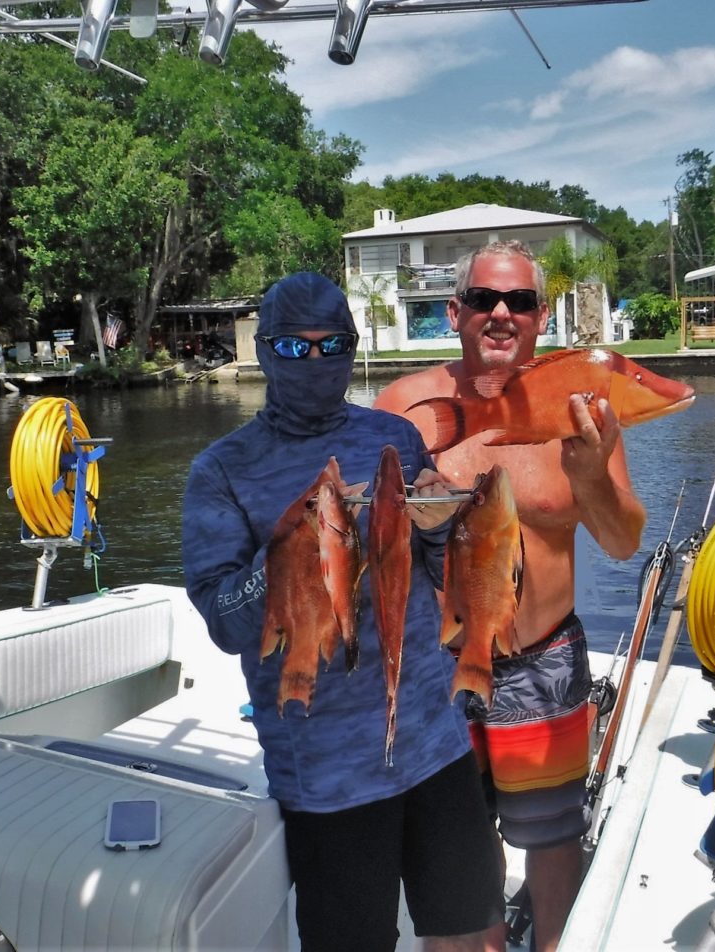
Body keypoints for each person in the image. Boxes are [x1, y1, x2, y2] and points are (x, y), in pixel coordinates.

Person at [181, 271, 503, 952]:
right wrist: (294, 553)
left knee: (472, 930)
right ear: (264, 351)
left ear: (354, 349)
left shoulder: (394, 438)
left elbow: (431, 565)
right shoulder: (222, 470)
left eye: (334, 346)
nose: (317, 362)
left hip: (432, 736)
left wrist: (443, 522)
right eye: (296, 349)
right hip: (327, 772)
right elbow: (222, 620)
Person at [373, 240, 646, 952]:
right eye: (485, 300)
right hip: (438, 664)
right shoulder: (405, 407)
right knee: (450, 849)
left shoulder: (583, 403)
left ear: (540, 315)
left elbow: (621, 541)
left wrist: (589, 474)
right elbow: (366, 544)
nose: (502, 314)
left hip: (544, 661)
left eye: (519, 301)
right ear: (455, 311)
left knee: (553, 843)